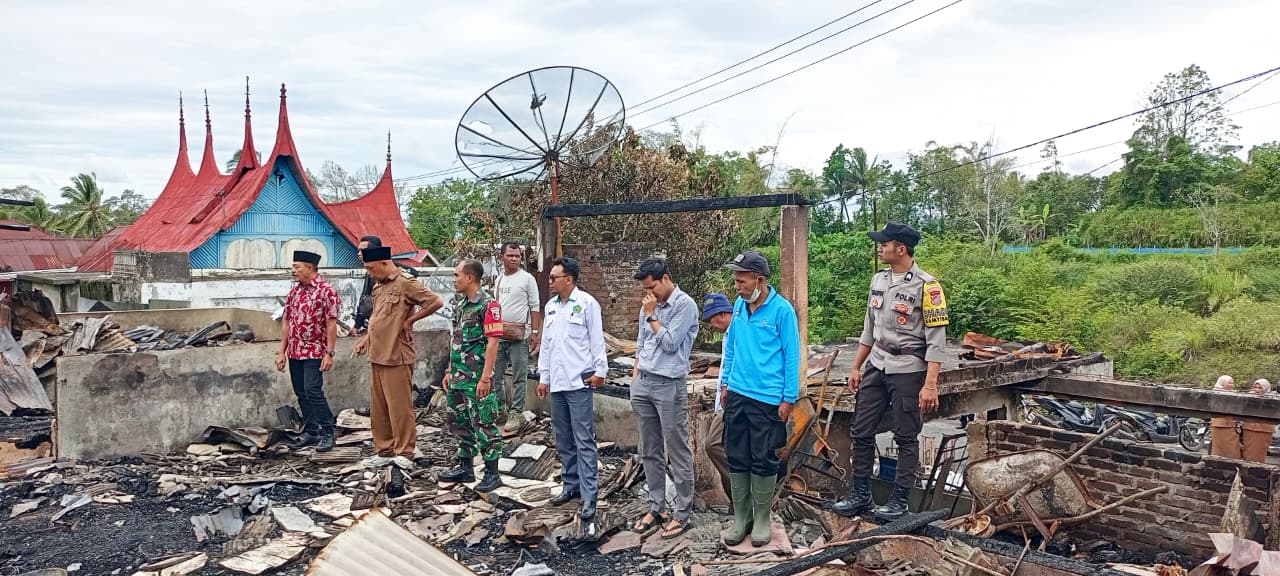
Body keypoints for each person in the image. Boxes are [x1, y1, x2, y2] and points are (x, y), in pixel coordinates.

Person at [833, 221, 949, 521]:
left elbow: (937, 341)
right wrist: (857, 366)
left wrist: (930, 384)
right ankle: (860, 495)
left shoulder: (928, 286)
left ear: (901, 248)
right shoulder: (879, 279)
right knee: (860, 430)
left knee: (906, 436)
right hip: (878, 363)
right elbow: (869, 329)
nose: (879, 247)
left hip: (909, 368)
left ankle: (899, 501)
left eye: (884, 243)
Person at [720, 251, 800, 548]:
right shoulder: (740, 307)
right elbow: (733, 347)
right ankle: (742, 518)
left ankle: (762, 518)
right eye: (736, 280)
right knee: (737, 454)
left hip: (768, 398)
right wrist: (726, 382)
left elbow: (792, 355)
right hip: (738, 393)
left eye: (741, 281)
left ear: (760, 280)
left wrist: (788, 397)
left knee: (764, 457)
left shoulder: (782, 311)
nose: (737, 286)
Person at [352, 245, 444, 469]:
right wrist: (365, 341)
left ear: (384, 263)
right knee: (379, 407)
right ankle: (384, 450)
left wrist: (410, 321)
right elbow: (377, 319)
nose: (370, 273)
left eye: (372, 268)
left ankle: (405, 451)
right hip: (377, 354)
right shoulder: (378, 287)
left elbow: (435, 302)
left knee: (400, 407)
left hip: (397, 354)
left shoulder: (405, 282)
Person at [536, 257, 608, 538]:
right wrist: (544, 377)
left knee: (584, 439)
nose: (550, 281)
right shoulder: (551, 307)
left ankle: (590, 494)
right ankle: (571, 485)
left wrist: (600, 370)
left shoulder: (587, 304)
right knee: (563, 438)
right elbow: (547, 345)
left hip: (579, 381)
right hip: (557, 383)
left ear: (569, 279)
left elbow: (596, 341)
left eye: (554, 277)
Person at [629, 258, 700, 539]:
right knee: (649, 448)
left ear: (666, 278)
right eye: (646, 288)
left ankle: (683, 513)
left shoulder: (685, 305)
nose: (651, 293)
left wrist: (652, 316)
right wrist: (635, 376)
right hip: (644, 382)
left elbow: (671, 344)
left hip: (669, 384)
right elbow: (641, 342)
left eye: (653, 287)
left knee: (678, 449)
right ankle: (656, 505)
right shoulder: (649, 305)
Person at [438, 259, 506, 493]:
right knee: (459, 422)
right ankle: (465, 467)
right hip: (458, 376)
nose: (453, 279)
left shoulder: (489, 305)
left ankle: (492, 472)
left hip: (478, 377)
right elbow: (456, 340)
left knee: (484, 423)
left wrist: (486, 377)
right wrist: (449, 370)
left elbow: (493, 342)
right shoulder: (461, 304)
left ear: (470, 278)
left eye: (457, 275)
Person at [276, 250, 339, 452]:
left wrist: (330, 353)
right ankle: (311, 431)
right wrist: (281, 352)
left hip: (315, 350)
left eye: (297, 267)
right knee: (301, 392)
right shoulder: (294, 292)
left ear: (310, 268)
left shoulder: (326, 291)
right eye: (293, 267)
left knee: (313, 391)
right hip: (295, 351)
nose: (293, 270)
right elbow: (286, 322)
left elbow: (331, 324)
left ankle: (328, 432)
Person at [493, 242, 543, 431]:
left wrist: (535, 333)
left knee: (519, 376)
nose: (514, 259)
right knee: (495, 375)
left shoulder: (527, 279)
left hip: (519, 336)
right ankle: (500, 409)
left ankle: (516, 412)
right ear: (502, 257)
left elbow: (535, 306)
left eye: (517, 256)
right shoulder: (499, 280)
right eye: (510, 255)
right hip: (499, 335)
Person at [700, 293, 734, 501]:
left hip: (733, 400)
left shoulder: (739, 332)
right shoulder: (727, 335)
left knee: (712, 444)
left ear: (721, 314)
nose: (712, 324)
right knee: (724, 447)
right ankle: (736, 502)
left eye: (712, 319)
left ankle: (745, 487)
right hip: (723, 400)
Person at [354, 235, 419, 334]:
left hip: (394, 327)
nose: (359, 254)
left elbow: (413, 272)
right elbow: (364, 299)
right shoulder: (370, 273)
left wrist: (409, 321)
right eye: (358, 251)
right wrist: (357, 326)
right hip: (375, 324)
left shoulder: (393, 269)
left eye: (362, 250)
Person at [1242, 378, 1276, 463]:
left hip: (1263, 430)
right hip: (1249, 429)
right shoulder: (1248, 397)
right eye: (1255, 387)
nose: (1257, 390)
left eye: (1260, 388)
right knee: (1247, 454)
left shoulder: (1272, 399)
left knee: (1258, 454)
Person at [1210, 375, 1241, 459]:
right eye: (1229, 383)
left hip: (1231, 424)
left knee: (1232, 449)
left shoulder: (1233, 393)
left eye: (1232, 383)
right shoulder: (1216, 392)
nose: (1231, 385)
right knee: (1219, 448)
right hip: (1219, 424)